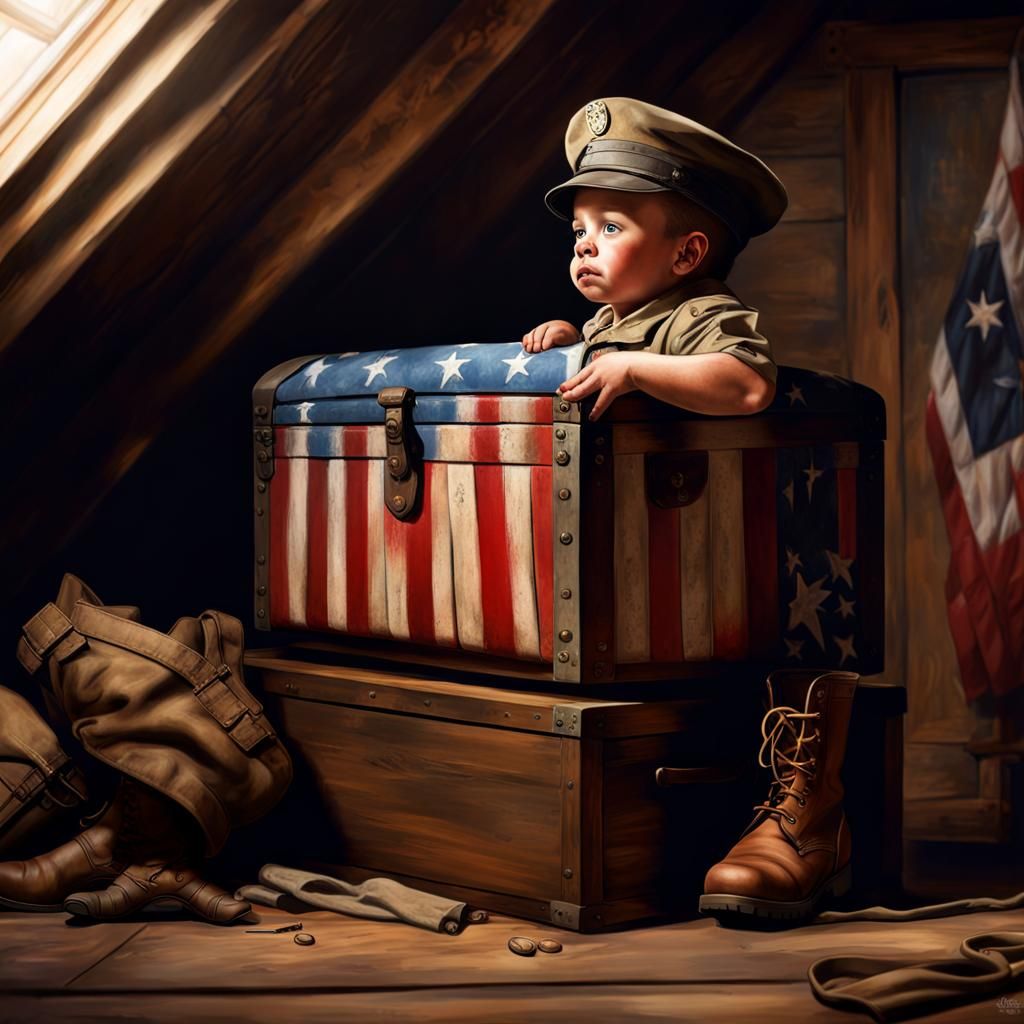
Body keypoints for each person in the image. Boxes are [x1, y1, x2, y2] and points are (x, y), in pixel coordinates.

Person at [523, 97, 787, 420]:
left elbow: (751, 386)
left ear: (686, 254)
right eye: (580, 231)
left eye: (609, 227)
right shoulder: (607, 320)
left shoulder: (698, 315)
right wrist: (575, 345)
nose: (583, 246)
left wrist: (633, 369)